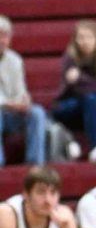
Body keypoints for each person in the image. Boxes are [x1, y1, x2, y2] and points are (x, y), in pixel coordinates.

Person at [52, 19, 96, 162]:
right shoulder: (70, 58)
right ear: (75, 40)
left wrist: (80, 78)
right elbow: (77, 90)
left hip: (94, 107)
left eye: (89, 37)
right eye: (81, 37)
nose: (85, 41)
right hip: (68, 108)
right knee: (92, 97)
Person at [0, 14, 47, 167]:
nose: (2, 40)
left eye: (5, 36)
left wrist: (24, 101)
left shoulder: (15, 60)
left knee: (37, 113)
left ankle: (35, 163)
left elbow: (20, 91)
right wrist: (9, 104)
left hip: (11, 112)